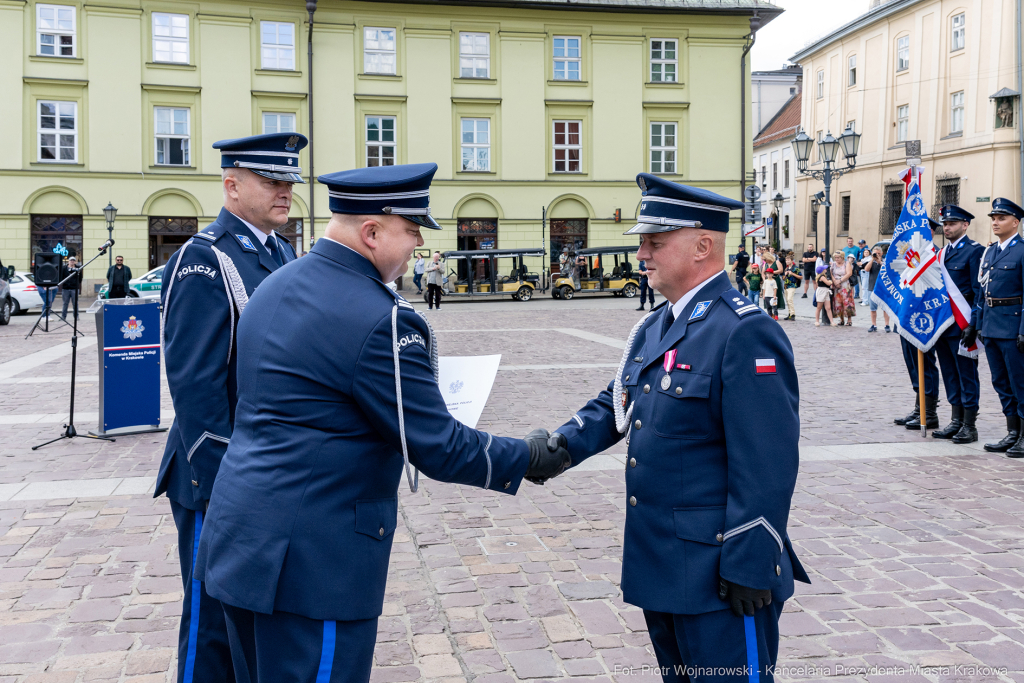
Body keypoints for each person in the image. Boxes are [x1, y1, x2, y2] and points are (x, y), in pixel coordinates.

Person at [195, 163, 570, 683]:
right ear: (371, 232)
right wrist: (530, 456)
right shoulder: (381, 318)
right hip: (314, 564)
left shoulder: (278, 282)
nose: (417, 246)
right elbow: (439, 447)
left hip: (241, 543)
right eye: (411, 233)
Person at [542, 173, 807, 683]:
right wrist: (551, 448)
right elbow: (619, 401)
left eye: (655, 242)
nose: (642, 253)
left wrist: (752, 561)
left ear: (703, 245)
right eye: (643, 242)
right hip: (664, 563)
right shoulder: (659, 323)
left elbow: (768, 461)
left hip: (722, 575)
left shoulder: (745, 330)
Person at [155, 132, 306, 683]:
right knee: (211, 620)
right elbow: (194, 386)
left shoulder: (281, 251)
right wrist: (225, 482)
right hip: (214, 476)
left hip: (263, 470)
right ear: (232, 184)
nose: (285, 191)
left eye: (289, 180)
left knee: (250, 617)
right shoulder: (205, 259)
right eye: (271, 180)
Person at [976, 198, 1024, 455]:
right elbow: (982, 291)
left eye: (1001, 218)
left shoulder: (1022, 250)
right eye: (993, 218)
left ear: (1015, 222)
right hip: (991, 326)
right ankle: (1013, 432)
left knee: (1020, 382)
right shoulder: (990, 252)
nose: (995, 222)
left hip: (1013, 325)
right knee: (1001, 382)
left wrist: (1023, 329)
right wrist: (978, 324)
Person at [931, 205, 983, 443]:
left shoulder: (974, 251)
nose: (947, 227)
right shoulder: (941, 254)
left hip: (963, 326)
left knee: (966, 374)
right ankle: (955, 420)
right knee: (950, 374)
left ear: (965, 225)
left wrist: (973, 325)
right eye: (945, 223)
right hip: (943, 326)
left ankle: (969, 425)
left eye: (952, 223)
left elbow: (977, 292)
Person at [863, 247, 890, 333]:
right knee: (873, 308)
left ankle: (887, 325)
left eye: (878, 253)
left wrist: (879, 261)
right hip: (872, 287)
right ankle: (874, 325)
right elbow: (866, 269)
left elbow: (888, 270)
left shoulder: (885, 261)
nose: (877, 255)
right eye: (875, 253)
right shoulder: (871, 262)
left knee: (885, 308)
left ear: (882, 253)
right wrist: (872, 259)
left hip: (883, 288)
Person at [830, 251, 856, 325]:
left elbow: (849, 273)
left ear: (842, 257)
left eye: (838, 257)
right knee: (838, 302)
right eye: (835, 257)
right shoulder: (833, 264)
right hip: (836, 285)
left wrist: (840, 281)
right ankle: (841, 319)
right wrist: (835, 281)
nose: (836, 259)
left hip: (845, 285)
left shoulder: (846, 263)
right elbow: (831, 273)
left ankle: (849, 320)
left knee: (847, 302)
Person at [59, 256, 81, 320]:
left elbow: (80, 278)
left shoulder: (77, 268)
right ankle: (63, 316)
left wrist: (76, 284)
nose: (72, 261)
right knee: (65, 303)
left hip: (74, 288)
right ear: (69, 261)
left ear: (75, 261)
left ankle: (76, 316)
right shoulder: (64, 268)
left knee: (75, 303)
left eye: (73, 260)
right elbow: (61, 277)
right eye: (71, 260)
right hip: (65, 288)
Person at [783, 255, 802, 321]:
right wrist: (785, 275)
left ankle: (793, 314)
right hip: (786, 286)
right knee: (787, 301)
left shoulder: (795, 268)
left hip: (792, 285)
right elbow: (783, 278)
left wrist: (793, 274)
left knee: (790, 299)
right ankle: (790, 314)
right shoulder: (786, 268)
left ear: (791, 260)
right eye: (786, 260)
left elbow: (801, 277)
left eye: (788, 260)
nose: (787, 261)